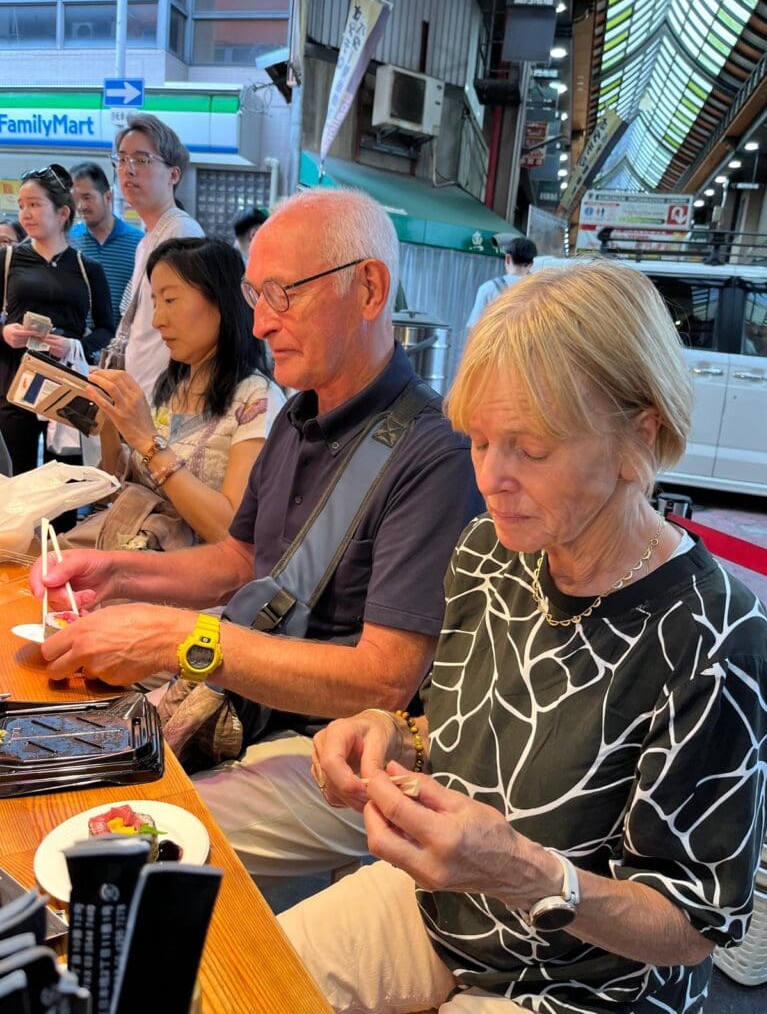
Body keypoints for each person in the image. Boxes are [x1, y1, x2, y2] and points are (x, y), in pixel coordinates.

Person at [282, 260, 767, 1014]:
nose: (490, 479)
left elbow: (698, 923)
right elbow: (455, 728)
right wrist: (390, 733)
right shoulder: (487, 552)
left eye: (530, 449)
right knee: (237, 979)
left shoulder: (714, 634)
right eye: (478, 441)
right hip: (443, 910)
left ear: (639, 438)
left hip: (594, 984)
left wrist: (528, 873)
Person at [30, 187, 483, 880]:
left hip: (329, 746)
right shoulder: (298, 414)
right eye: (253, 293)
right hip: (242, 692)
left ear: (368, 288)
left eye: (281, 293)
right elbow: (244, 558)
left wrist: (183, 639)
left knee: (128, 853)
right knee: (49, 757)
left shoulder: (434, 455)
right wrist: (117, 576)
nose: (261, 322)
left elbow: (385, 681)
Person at [65, 236, 282, 549]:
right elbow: (116, 490)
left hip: (188, 582)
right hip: (128, 552)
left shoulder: (257, 401)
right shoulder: (170, 387)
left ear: (221, 301)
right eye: (154, 301)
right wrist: (110, 424)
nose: (157, 320)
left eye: (170, 300)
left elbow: (229, 530)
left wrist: (147, 442)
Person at [0, 164, 115, 479]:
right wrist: (5, 331)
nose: (26, 214)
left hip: (65, 389)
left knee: (63, 486)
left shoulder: (87, 268)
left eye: (35, 205)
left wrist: (75, 344)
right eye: (22, 206)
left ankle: (63, 532)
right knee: (14, 485)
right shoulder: (8, 259)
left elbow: (108, 328)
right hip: (13, 386)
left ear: (62, 213)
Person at [108, 114, 203, 399]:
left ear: (174, 175)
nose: (128, 170)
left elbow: (193, 329)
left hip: (162, 400)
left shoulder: (181, 233)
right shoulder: (148, 238)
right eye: (122, 159)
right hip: (140, 394)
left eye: (142, 160)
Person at [69, 162, 144, 323]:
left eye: (87, 197)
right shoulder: (68, 240)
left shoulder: (139, 242)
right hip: (78, 345)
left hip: (124, 344)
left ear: (108, 197)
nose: (81, 206)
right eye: (75, 199)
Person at [465, 235, 537, 330]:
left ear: (507, 258)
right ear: (531, 264)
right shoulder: (541, 292)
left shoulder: (488, 288)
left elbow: (473, 328)